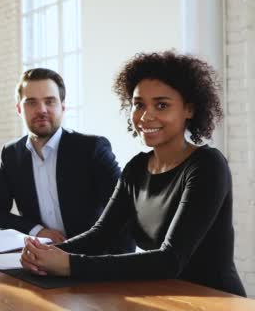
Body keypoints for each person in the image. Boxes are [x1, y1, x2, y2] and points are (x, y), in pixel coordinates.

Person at [20, 51, 246, 297]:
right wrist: (44, 254)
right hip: (163, 296)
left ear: (189, 109)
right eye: (139, 105)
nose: (146, 116)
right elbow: (101, 235)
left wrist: (70, 264)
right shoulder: (137, 168)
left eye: (162, 105)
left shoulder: (207, 166)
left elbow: (170, 260)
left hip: (214, 300)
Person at [0, 68, 133, 253]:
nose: (41, 110)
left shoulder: (92, 149)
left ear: (63, 106)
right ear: (20, 109)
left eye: (50, 101)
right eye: (31, 102)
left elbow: (124, 214)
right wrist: (37, 231)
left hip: (93, 259)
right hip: (41, 259)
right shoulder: (12, 154)